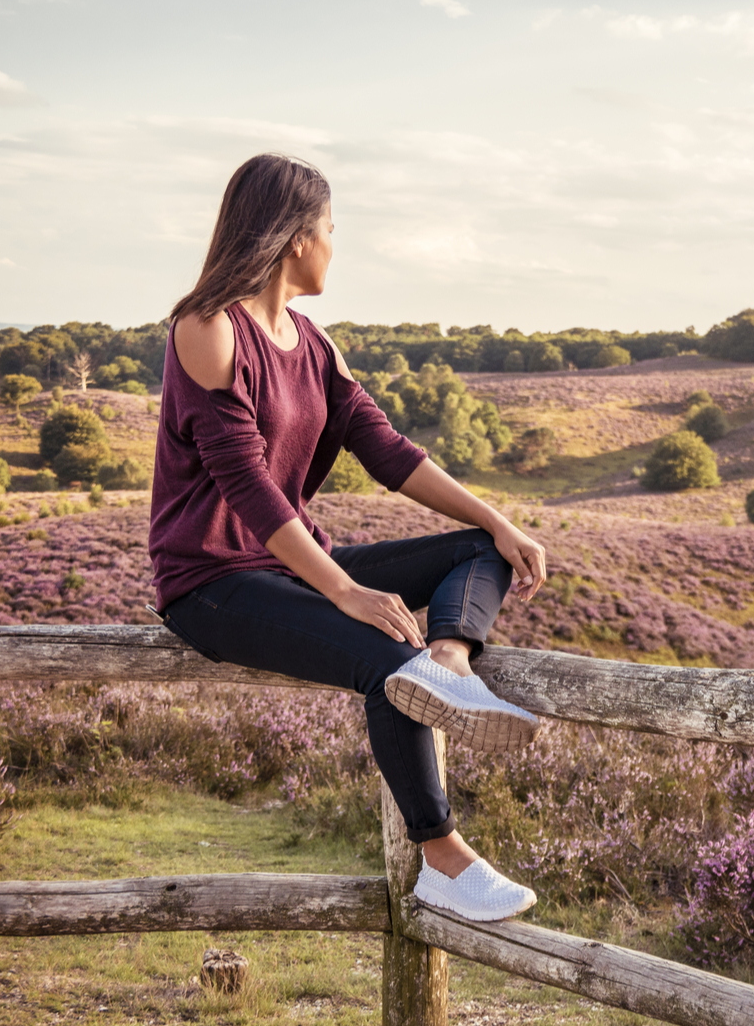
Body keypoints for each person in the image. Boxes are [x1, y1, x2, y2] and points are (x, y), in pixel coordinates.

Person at [148, 153, 546, 922]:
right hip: (210, 582)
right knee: (385, 661)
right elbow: (246, 484)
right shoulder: (207, 329)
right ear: (297, 236)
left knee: (474, 552)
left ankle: (450, 661)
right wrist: (345, 588)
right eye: (331, 228)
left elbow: (388, 449)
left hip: (289, 566)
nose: (335, 243)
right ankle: (445, 861)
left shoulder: (313, 343)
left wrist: (497, 521)